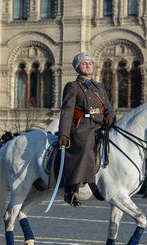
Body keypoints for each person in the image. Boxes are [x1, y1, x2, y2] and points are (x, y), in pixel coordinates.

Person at [57, 52, 116, 206]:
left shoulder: (99, 86)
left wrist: (110, 116)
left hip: (100, 124)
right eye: (84, 63)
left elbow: (108, 107)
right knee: (84, 147)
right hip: (83, 126)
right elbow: (67, 110)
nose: (88, 65)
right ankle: (72, 189)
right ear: (77, 68)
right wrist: (64, 133)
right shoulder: (73, 86)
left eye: (90, 63)